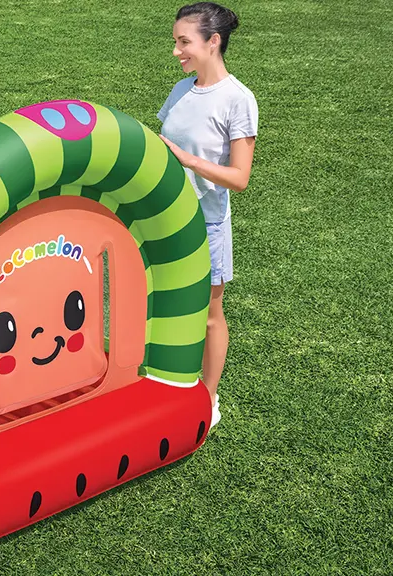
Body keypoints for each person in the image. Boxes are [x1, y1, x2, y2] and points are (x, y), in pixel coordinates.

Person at [156, 2, 258, 427]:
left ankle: (208, 399)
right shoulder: (181, 90)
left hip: (206, 223)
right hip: (165, 218)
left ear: (213, 41)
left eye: (184, 42)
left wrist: (190, 161)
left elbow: (240, 177)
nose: (176, 51)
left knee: (209, 315)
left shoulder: (238, 100)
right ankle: (165, 384)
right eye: (175, 42)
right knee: (163, 304)